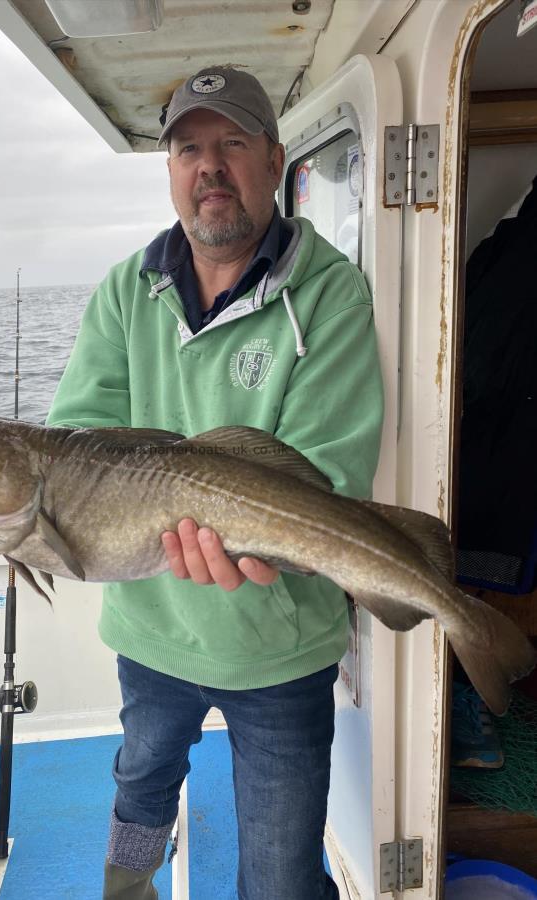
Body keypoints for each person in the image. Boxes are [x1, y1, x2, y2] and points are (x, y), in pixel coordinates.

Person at [47, 67, 384, 900]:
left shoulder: (330, 293)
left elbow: (327, 473)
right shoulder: (126, 292)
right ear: (169, 169)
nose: (210, 166)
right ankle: (128, 890)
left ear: (273, 162)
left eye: (231, 143)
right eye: (188, 148)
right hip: (151, 629)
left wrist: (243, 532)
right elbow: (75, 443)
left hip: (279, 648)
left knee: (279, 877)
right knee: (139, 784)